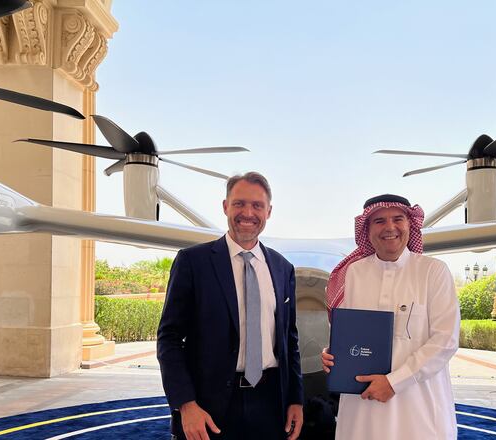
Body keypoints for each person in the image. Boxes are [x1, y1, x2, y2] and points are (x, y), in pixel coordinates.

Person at [157, 172, 303, 440]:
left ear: (269, 211)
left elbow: (289, 340)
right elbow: (169, 338)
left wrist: (296, 399)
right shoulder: (193, 262)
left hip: (271, 405)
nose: (248, 213)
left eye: (257, 205)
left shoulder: (283, 268)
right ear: (225, 206)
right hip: (208, 407)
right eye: (239, 203)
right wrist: (186, 404)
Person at [321, 194, 460, 439]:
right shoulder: (353, 273)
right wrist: (334, 354)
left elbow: (445, 341)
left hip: (418, 408)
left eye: (398, 219)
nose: (390, 227)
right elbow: (349, 332)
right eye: (379, 221)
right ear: (367, 229)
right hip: (362, 407)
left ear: (410, 224)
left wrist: (395, 382)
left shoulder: (433, 271)